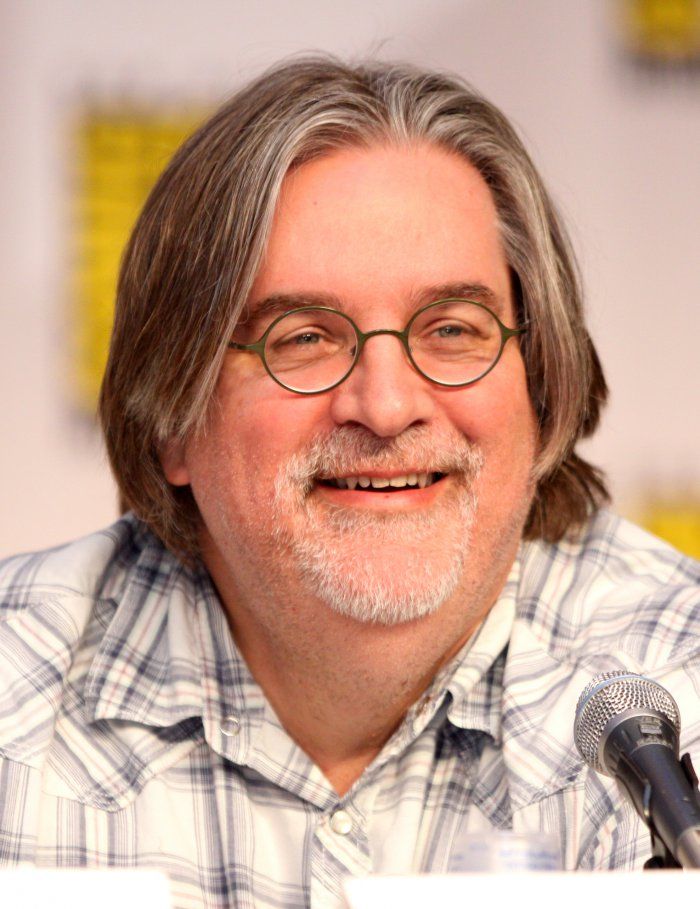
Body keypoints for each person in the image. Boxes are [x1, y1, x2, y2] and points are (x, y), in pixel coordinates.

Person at [0, 57, 698, 908]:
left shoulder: (675, 702)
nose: (387, 403)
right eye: (304, 338)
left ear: (540, 390)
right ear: (171, 416)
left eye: (451, 328)